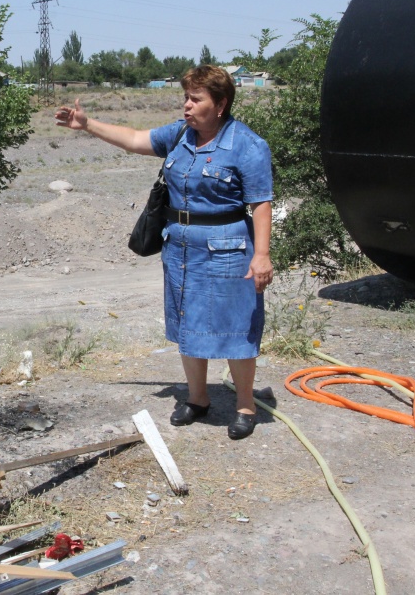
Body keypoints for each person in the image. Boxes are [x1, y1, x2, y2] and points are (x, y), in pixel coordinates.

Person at [55, 65, 273, 439]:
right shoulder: (180, 134)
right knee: (188, 323)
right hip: (181, 248)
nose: (187, 105)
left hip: (227, 246)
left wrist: (262, 255)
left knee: (236, 326)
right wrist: (87, 124)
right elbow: (136, 138)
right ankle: (198, 398)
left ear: (220, 104)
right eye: (185, 98)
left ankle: (245, 406)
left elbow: (261, 203)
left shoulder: (248, 145)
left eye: (195, 99)